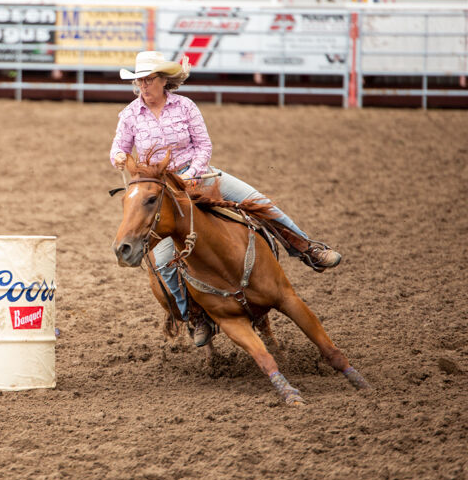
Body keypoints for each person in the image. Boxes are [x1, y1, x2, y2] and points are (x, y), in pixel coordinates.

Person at [110, 51, 342, 346]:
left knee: (259, 203)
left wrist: (193, 173)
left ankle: (307, 247)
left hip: (200, 175)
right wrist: (117, 155)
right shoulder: (130, 114)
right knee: (165, 261)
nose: (144, 85)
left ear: (163, 80)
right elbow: (118, 147)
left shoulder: (185, 106)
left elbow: (203, 145)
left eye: (149, 79)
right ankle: (196, 315)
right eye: (140, 80)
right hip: (162, 190)